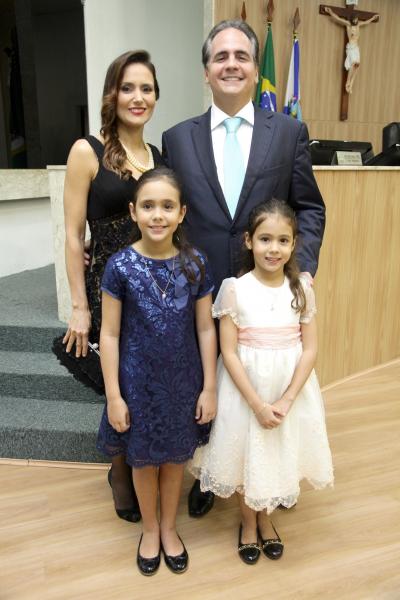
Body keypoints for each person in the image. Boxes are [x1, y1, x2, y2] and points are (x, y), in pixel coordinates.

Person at [162, 19, 326, 517]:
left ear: (256, 70)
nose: (231, 64)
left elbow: (309, 207)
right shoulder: (177, 138)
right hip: (199, 288)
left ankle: (270, 475)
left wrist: (303, 269)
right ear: (205, 71)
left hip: (267, 291)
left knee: (259, 381)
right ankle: (209, 472)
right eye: (221, 57)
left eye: (242, 56)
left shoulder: (289, 133)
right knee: (204, 379)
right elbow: (169, 210)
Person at [190, 198, 334, 564]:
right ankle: (248, 523)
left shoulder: (301, 289)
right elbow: (229, 352)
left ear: (294, 244)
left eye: (283, 240)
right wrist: (256, 403)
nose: (274, 249)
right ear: (249, 241)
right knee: (246, 452)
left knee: (273, 451)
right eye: (265, 239)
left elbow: (310, 350)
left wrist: (286, 400)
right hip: (246, 390)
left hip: (288, 389)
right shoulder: (235, 289)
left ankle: (265, 519)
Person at [53, 50, 164, 524]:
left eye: (146, 89)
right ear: (112, 94)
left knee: (147, 381)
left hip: (153, 291)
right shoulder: (87, 150)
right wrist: (79, 305)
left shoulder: (158, 156)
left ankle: (142, 462)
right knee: (120, 382)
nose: (137, 97)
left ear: (155, 97)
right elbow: (72, 235)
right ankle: (120, 470)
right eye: (127, 88)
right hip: (108, 291)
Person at [97, 167, 217, 575]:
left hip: (184, 383)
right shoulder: (119, 266)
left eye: (167, 206)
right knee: (144, 461)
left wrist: (210, 387)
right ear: (133, 211)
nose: (158, 215)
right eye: (148, 206)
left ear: (182, 213)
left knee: (174, 460)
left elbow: (206, 328)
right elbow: (110, 334)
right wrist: (114, 395)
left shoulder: (196, 263)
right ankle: (150, 529)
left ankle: (169, 527)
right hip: (137, 385)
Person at [324, 7, 378, 94]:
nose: (356, 20)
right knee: (353, 64)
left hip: (356, 47)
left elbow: (366, 22)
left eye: (357, 19)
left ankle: (351, 83)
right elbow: (338, 18)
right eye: (355, 19)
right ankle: (347, 82)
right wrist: (330, 12)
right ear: (352, 19)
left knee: (357, 65)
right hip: (351, 48)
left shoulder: (358, 25)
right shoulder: (348, 24)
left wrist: (372, 18)